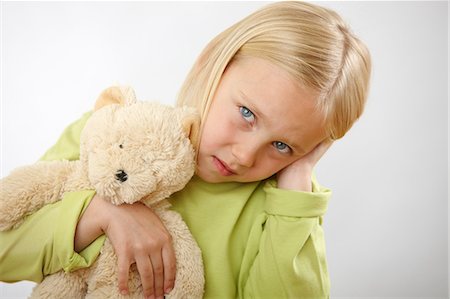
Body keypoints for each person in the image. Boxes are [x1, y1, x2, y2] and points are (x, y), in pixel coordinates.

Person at [0, 1, 371, 298]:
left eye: (282, 145)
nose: (245, 156)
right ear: (212, 63)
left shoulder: (281, 210)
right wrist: (101, 214)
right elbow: (5, 247)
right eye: (247, 113)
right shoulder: (109, 133)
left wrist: (296, 191)